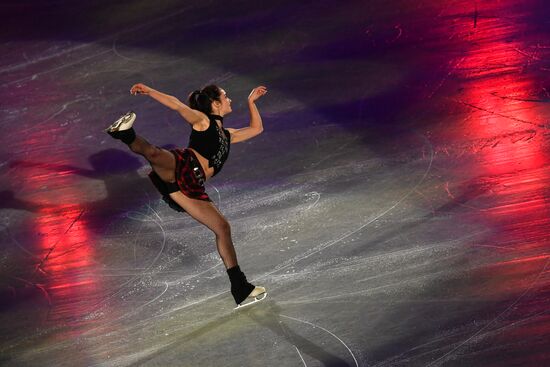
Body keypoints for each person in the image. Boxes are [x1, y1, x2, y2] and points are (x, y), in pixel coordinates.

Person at [105, 82, 268, 309]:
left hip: (191, 187)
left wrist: (252, 102)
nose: (230, 99)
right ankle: (125, 133)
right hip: (184, 165)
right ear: (215, 103)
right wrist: (150, 91)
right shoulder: (203, 122)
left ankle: (240, 288)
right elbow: (176, 104)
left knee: (222, 228)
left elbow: (256, 129)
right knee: (154, 153)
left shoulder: (227, 134)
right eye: (226, 96)